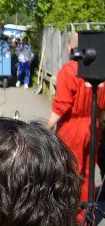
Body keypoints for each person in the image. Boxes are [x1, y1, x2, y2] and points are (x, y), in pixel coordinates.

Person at [47, 32, 105, 213]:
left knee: (70, 173)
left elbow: (62, 105)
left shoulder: (69, 70)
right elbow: (102, 106)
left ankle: (71, 214)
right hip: (93, 125)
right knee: (88, 173)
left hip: (72, 127)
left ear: (71, 47)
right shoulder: (100, 71)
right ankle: (86, 215)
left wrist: (46, 128)